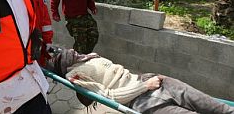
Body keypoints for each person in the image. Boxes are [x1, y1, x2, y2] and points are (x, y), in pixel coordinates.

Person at [46, 47, 234, 114]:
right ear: (63, 66)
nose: (65, 51)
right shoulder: (75, 76)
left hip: (154, 81)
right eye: (60, 55)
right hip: (142, 100)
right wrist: (145, 87)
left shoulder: (88, 57)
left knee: (218, 108)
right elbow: (109, 96)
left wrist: (148, 81)